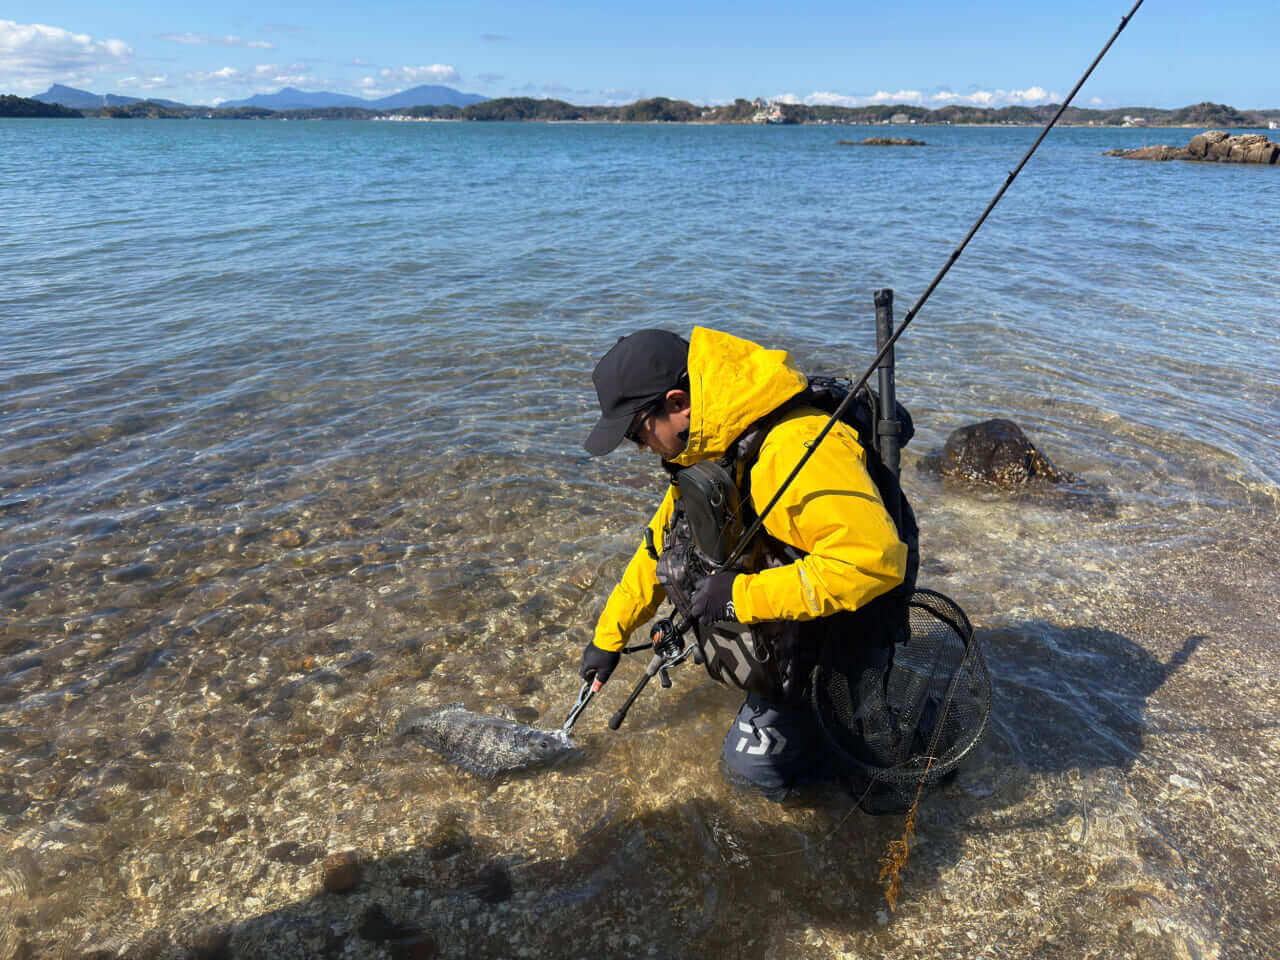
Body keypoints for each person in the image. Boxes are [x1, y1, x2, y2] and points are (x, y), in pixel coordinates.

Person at [579, 327, 914, 799]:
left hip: (843, 623)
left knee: (748, 772)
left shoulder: (793, 449)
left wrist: (740, 598)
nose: (640, 448)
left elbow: (873, 564)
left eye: (637, 433)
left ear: (677, 402)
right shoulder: (711, 443)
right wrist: (608, 638)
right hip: (793, 611)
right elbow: (660, 546)